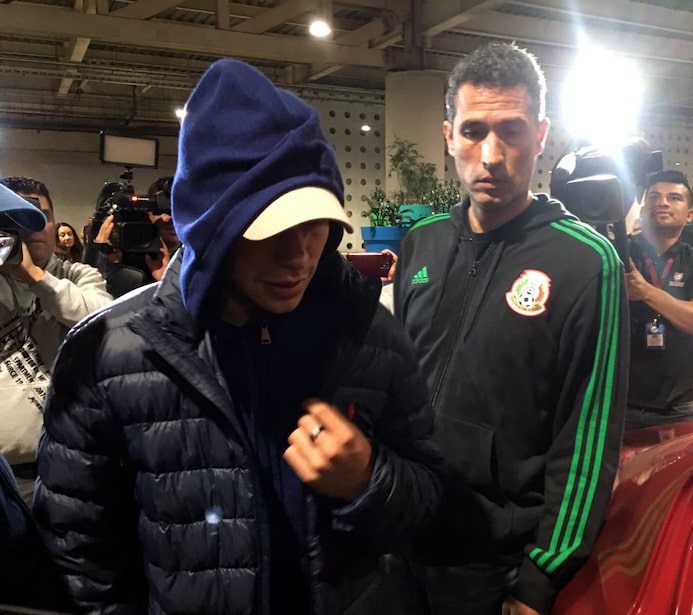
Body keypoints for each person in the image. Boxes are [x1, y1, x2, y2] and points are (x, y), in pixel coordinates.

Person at [34, 58, 443, 614]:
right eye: (269, 229)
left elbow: (431, 500)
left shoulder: (368, 333)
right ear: (210, 226)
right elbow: (79, 551)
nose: (298, 254)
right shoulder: (108, 355)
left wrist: (369, 479)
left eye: (315, 221)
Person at [394, 42, 629, 615]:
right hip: (399, 539)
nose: (491, 155)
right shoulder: (423, 241)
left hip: (494, 566)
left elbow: (589, 435)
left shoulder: (585, 261)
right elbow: (396, 386)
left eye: (512, 131)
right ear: (449, 135)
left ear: (541, 135)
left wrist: (542, 576)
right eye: (473, 131)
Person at [0, 177, 112, 503]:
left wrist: (33, 276)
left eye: (41, 215)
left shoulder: (79, 275)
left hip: (67, 459)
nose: (31, 227)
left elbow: (102, 320)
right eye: (15, 218)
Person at [625, 170, 693, 430]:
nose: (663, 203)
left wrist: (645, 292)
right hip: (615, 403)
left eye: (674, 197)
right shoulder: (617, 253)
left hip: (676, 407)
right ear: (644, 205)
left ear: (690, 213)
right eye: (655, 196)